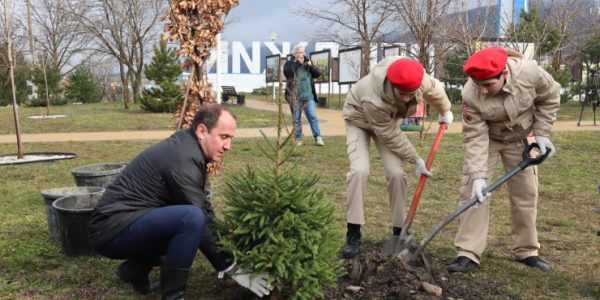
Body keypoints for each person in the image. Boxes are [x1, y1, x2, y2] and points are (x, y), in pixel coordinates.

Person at [88, 104, 272, 299]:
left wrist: (228, 249)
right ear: (202, 131)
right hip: (111, 229)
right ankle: (174, 296)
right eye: (224, 137)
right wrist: (232, 267)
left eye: (231, 138)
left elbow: (204, 208)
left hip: (125, 222)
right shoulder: (183, 159)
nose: (228, 146)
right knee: (190, 219)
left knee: (188, 220)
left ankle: (135, 270)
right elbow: (198, 215)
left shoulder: (188, 147)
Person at [447, 46, 560, 273]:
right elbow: (475, 136)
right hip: (488, 140)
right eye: (478, 84)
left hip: (520, 139)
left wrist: (542, 133)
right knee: (474, 194)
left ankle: (527, 250)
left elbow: (551, 96)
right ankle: (467, 252)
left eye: (488, 84)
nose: (483, 90)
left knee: (526, 193)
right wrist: (478, 177)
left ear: (504, 74)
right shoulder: (470, 94)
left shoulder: (530, 72)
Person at [341, 56, 454, 258]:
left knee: (396, 174)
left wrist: (445, 111)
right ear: (391, 84)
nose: (405, 98)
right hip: (359, 119)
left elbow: (435, 91)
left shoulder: (419, 79)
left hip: (386, 122)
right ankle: (353, 232)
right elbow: (389, 134)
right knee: (359, 170)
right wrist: (416, 159)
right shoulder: (372, 97)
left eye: (410, 94)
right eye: (401, 94)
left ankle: (399, 233)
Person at [283, 44, 325, 146]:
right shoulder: (289, 63)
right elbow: (288, 73)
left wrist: (311, 66)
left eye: (304, 52)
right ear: (295, 54)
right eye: (301, 52)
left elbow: (318, 74)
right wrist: (298, 63)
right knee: (296, 119)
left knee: (312, 116)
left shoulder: (307, 63)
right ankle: (298, 138)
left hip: (308, 96)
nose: (303, 54)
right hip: (295, 97)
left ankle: (318, 137)